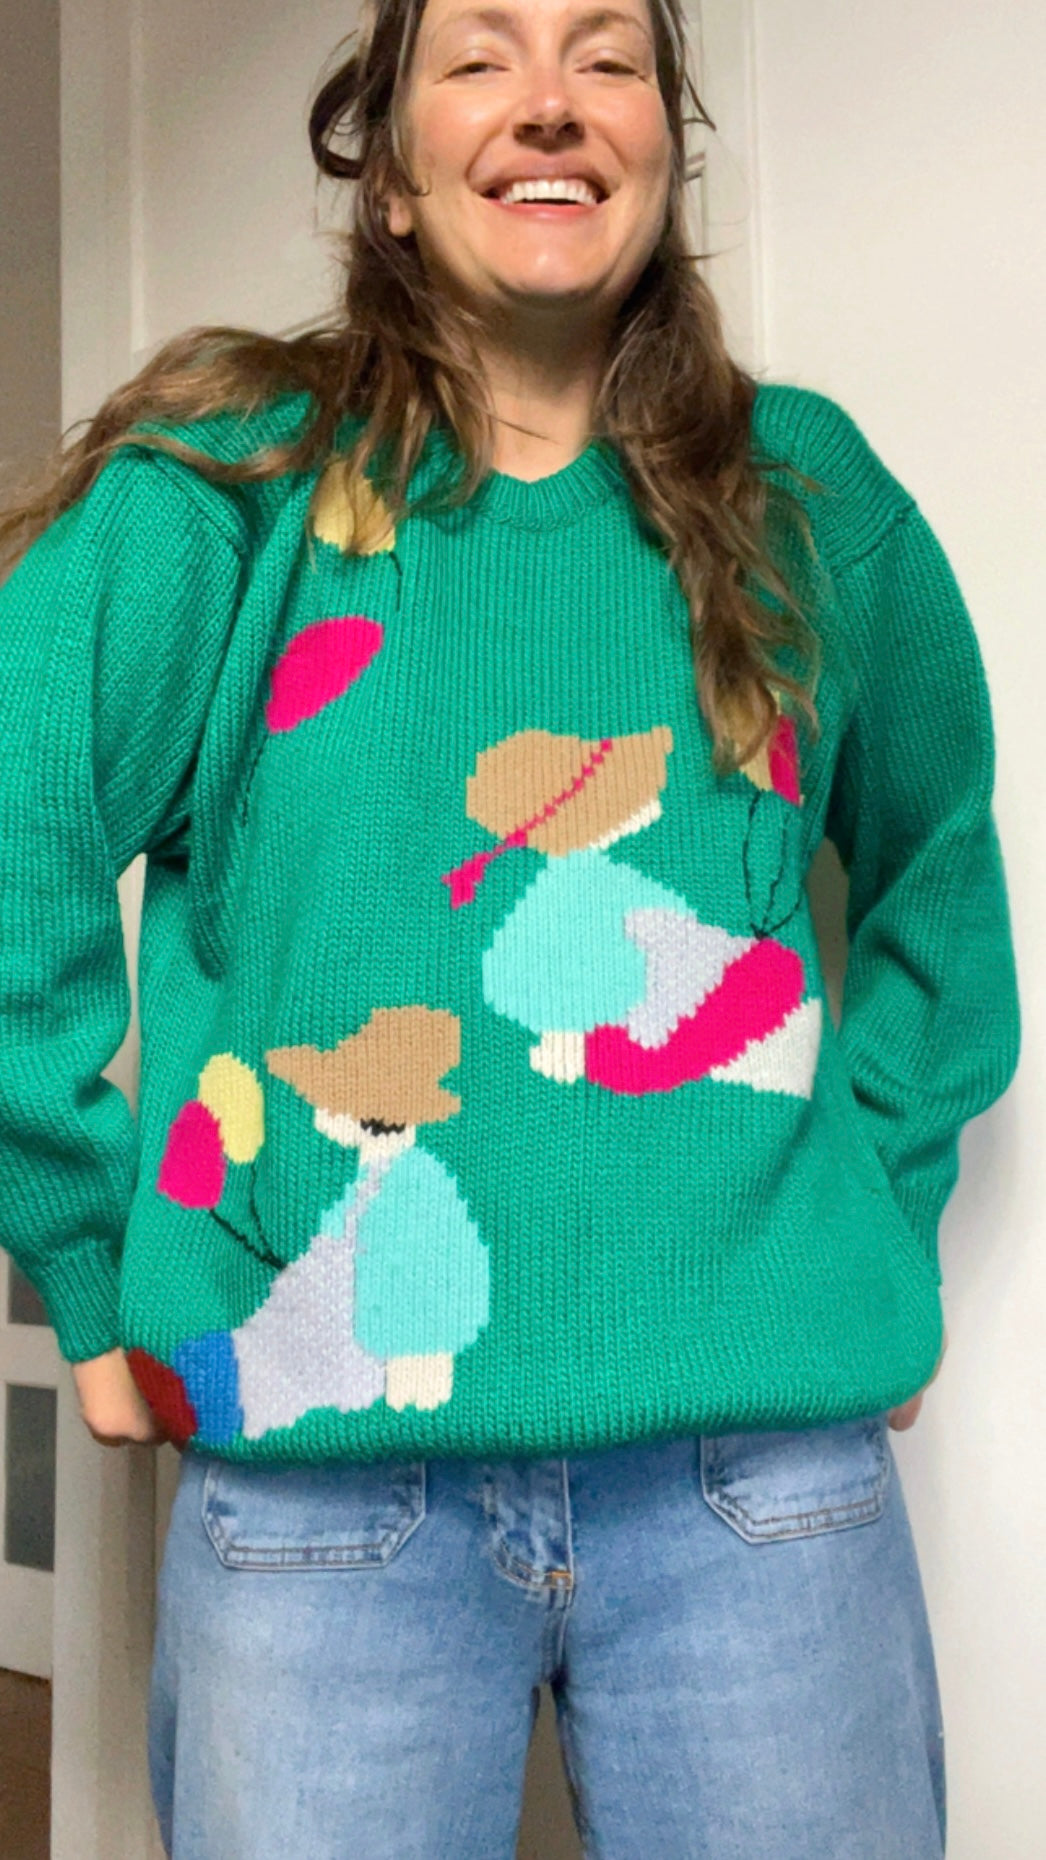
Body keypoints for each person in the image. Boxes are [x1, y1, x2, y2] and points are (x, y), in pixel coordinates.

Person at [0, 0, 1020, 1853]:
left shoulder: (808, 497)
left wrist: (883, 1201)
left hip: (757, 1491)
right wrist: (80, 1254)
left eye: (605, 56)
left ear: (660, 151)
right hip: (322, 1506)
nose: (548, 100)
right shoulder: (228, 493)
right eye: (478, 55)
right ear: (389, 171)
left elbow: (938, 864)